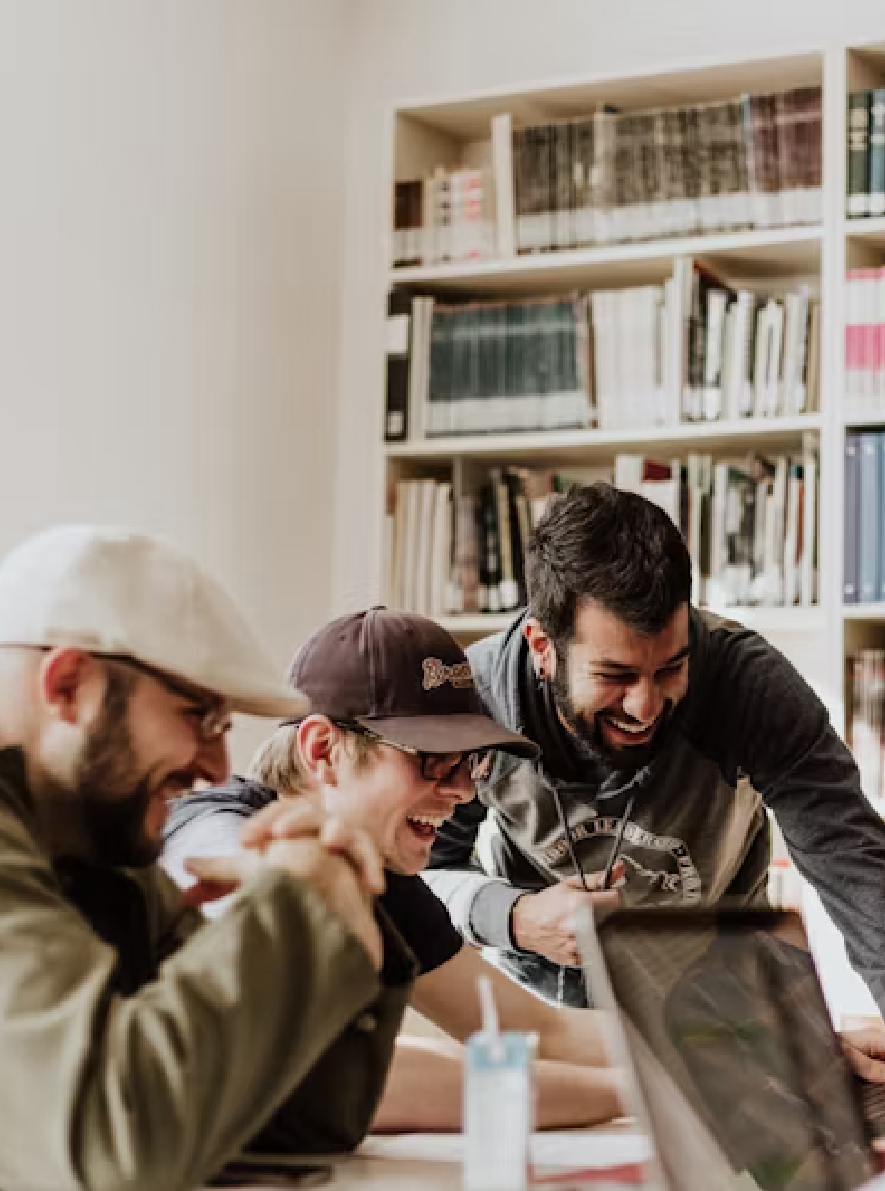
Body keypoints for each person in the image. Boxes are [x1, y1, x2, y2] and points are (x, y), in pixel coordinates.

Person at [0, 524, 414, 1191]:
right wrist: (299, 901)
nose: (218, 767)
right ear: (69, 684)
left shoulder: (102, 855)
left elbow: (294, 1121)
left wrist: (340, 903)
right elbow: (114, 1147)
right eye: (199, 717)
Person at [423, 482, 885, 1040]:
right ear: (543, 648)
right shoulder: (476, 701)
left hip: (725, 1010)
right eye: (614, 675)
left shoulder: (750, 686)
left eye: (670, 668)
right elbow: (420, 875)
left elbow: (854, 863)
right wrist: (514, 917)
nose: (644, 707)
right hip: (545, 1015)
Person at [163, 607, 626, 1132]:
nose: (463, 792)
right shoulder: (214, 830)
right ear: (322, 750)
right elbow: (331, 1072)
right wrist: (634, 1093)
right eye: (433, 759)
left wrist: (690, 1050)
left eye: (470, 762)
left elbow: (534, 1030)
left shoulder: (381, 876)